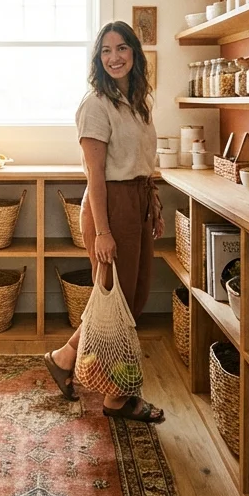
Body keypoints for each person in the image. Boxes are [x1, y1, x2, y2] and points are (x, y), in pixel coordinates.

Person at [44, 21, 165, 423]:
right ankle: (118, 398)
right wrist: (105, 231)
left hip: (137, 201)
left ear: (134, 54)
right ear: (98, 58)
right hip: (109, 205)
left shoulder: (139, 101)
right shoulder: (95, 105)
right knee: (118, 303)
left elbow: (142, 164)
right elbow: (94, 174)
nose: (114, 57)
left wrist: (154, 207)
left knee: (127, 298)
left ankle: (64, 359)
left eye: (122, 48)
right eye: (106, 50)